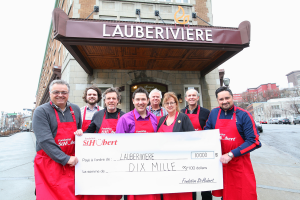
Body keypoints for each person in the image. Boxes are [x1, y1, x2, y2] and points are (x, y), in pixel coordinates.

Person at [204, 86, 261, 200]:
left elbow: (253, 141)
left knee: (241, 194)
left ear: (232, 97)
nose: (224, 101)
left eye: (227, 98)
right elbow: (207, 131)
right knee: (224, 195)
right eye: (221, 99)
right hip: (220, 164)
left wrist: (231, 154)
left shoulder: (244, 115)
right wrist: (213, 137)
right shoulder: (214, 113)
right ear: (217, 100)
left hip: (239, 164)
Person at [32, 80, 82, 200]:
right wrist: (65, 159)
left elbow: (78, 130)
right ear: (50, 93)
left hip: (72, 163)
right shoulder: (41, 111)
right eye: (56, 92)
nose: (60, 95)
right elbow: (44, 140)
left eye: (64, 92)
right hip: (49, 164)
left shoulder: (75, 109)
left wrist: (80, 133)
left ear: (68, 93)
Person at [116, 87, 159, 200]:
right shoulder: (124, 119)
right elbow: (119, 145)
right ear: (133, 101)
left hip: (151, 167)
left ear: (148, 101)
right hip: (132, 168)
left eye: (143, 99)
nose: (141, 102)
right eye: (138, 99)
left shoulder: (154, 118)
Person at [157, 92, 195, 200]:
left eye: (172, 103)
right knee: (167, 192)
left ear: (176, 104)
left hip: (181, 163)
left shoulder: (183, 118)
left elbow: (192, 137)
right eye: (167, 103)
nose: (169, 105)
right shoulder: (161, 119)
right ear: (164, 105)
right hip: (164, 164)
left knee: (181, 193)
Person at [181, 88, 212, 200]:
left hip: (202, 150)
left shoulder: (206, 112)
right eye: (189, 96)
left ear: (198, 98)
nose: (191, 97)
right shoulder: (181, 112)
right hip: (186, 151)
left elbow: (210, 130)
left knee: (205, 181)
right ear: (186, 98)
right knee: (189, 180)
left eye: (194, 95)